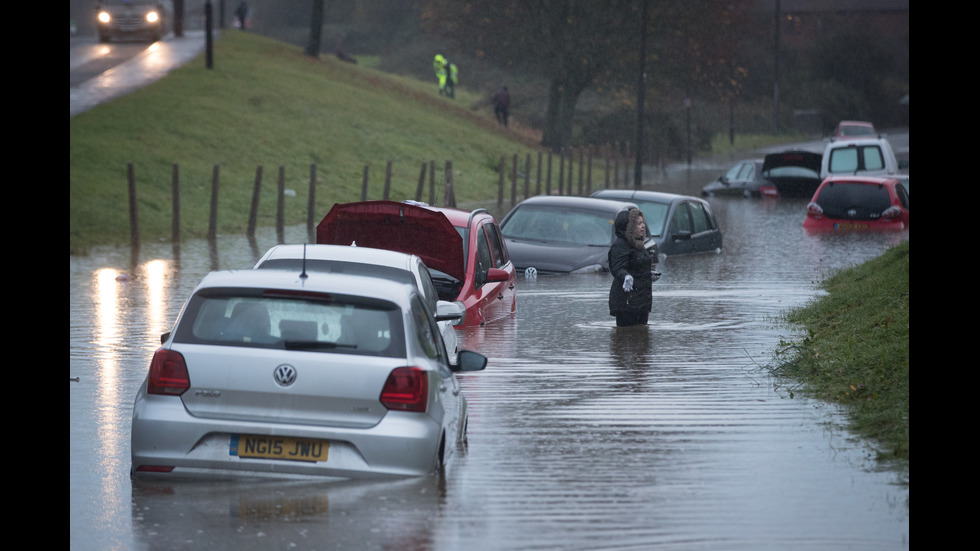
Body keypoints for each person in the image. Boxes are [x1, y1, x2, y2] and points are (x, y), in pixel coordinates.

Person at [608, 207, 659, 327]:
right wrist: (625, 276)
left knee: (642, 337)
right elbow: (617, 267)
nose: (643, 226)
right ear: (629, 228)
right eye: (638, 224)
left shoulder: (639, 244)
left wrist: (648, 273)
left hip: (642, 300)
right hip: (626, 302)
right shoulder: (620, 246)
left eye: (643, 223)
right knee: (627, 337)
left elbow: (637, 265)